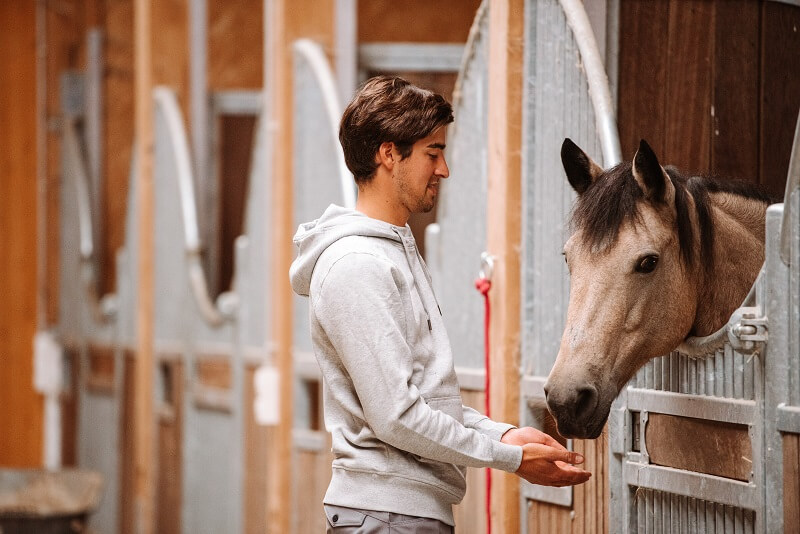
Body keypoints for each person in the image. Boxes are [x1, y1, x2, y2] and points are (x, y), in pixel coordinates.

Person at [289, 75, 591, 533]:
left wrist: (505, 434)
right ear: (389, 154)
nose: (444, 169)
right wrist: (512, 459)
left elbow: (425, 400)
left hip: (401, 517)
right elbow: (397, 416)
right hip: (387, 519)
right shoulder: (357, 265)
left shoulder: (391, 250)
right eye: (433, 152)